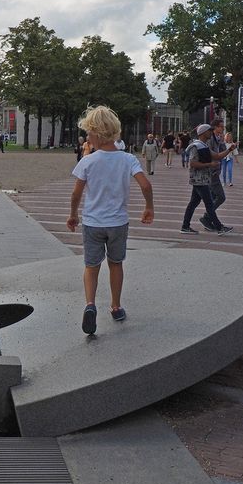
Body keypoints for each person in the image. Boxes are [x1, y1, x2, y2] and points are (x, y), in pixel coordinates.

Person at [66, 105, 154, 336]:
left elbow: (76, 193)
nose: (87, 138)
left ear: (95, 134)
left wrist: (74, 214)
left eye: (88, 134)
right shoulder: (127, 159)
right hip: (117, 222)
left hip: (93, 223)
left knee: (91, 266)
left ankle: (90, 304)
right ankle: (116, 307)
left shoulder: (88, 161)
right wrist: (149, 207)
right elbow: (145, 184)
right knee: (115, 264)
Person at [181, 124, 235, 235]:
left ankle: (185, 226)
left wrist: (229, 149)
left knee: (193, 203)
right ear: (202, 133)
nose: (211, 132)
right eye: (209, 131)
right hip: (199, 179)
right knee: (209, 204)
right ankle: (219, 227)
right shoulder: (196, 146)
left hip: (202, 179)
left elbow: (217, 156)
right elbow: (192, 163)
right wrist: (209, 164)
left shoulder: (203, 146)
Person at [200, 119, 232, 232]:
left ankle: (209, 220)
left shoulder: (217, 138)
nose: (222, 129)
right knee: (220, 197)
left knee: (211, 198)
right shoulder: (210, 140)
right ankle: (207, 218)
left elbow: (223, 151)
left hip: (214, 172)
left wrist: (223, 141)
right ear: (215, 127)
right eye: (221, 127)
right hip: (211, 173)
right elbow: (215, 155)